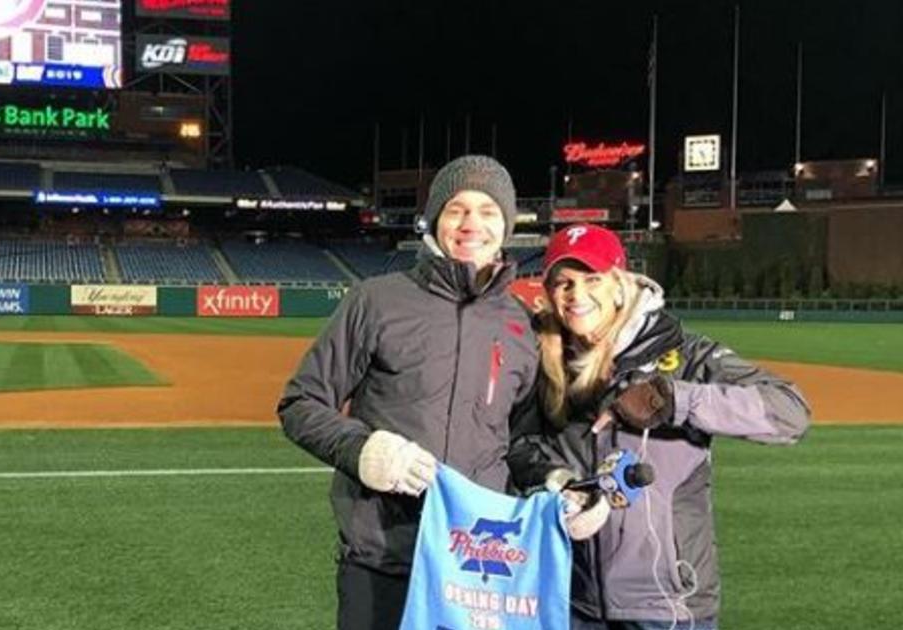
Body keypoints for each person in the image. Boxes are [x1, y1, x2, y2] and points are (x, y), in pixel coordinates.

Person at [278, 156, 608, 630]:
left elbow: (518, 443)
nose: (471, 223)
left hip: (478, 569)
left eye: (488, 211)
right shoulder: (375, 300)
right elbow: (300, 403)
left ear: (506, 225)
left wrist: (556, 480)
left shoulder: (519, 327)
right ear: (436, 219)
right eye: (457, 209)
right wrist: (362, 449)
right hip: (383, 559)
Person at [508, 223, 811, 630]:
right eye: (563, 283)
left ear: (620, 285)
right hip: (573, 602)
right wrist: (558, 482)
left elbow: (789, 411)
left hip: (668, 608)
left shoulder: (686, 356)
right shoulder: (546, 362)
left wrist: (672, 400)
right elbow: (522, 446)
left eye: (591, 279)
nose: (576, 294)